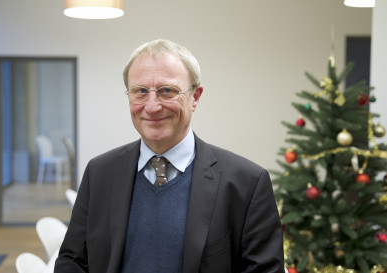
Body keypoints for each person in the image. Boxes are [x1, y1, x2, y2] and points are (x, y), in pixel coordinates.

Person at [55, 39, 284, 273]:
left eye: (167, 91)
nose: (152, 106)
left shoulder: (247, 183)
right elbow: (71, 261)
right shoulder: (100, 173)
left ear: (195, 97)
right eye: (140, 91)